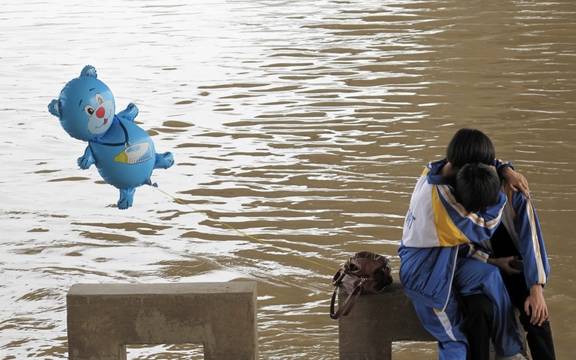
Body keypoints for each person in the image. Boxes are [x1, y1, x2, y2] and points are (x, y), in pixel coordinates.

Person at [399, 128, 527, 359]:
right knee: (454, 340)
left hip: (445, 259)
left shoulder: (434, 168)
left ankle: (510, 352)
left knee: (490, 276)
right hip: (426, 277)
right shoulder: (440, 202)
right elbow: (485, 226)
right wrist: (499, 193)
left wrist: (504, 168)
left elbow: (451, 247)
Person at [459, 185, 556, 359]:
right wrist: (491, 261)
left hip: (517, 267)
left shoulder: (515, 197)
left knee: (536, 314)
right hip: (484, 267)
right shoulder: (460, 198)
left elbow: (532, 243)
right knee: (478, 312)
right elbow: (460, 246)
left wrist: (536, 288)